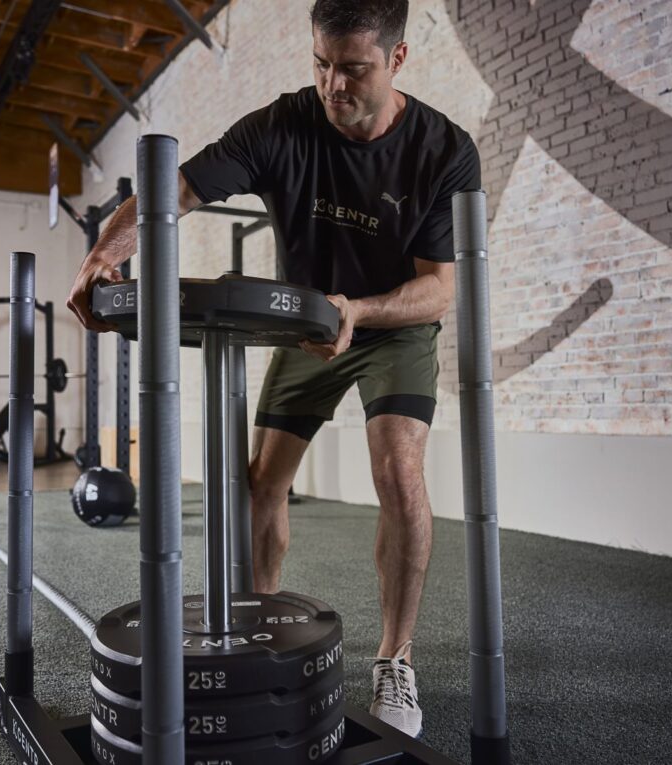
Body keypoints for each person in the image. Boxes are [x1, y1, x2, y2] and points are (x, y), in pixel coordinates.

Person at [69, 0, 479, 739]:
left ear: (397, 59)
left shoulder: (443, 149)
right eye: (321, 64)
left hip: (392, 324)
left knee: (399, 473)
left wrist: (359, 309)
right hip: (305, 324)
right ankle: (254, 635)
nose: (333, 86)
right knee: (262, 484)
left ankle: (395, 658)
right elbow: (176, 190)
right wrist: (104, 252)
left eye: (353, 69)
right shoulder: (283, 124)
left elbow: (440, 288)